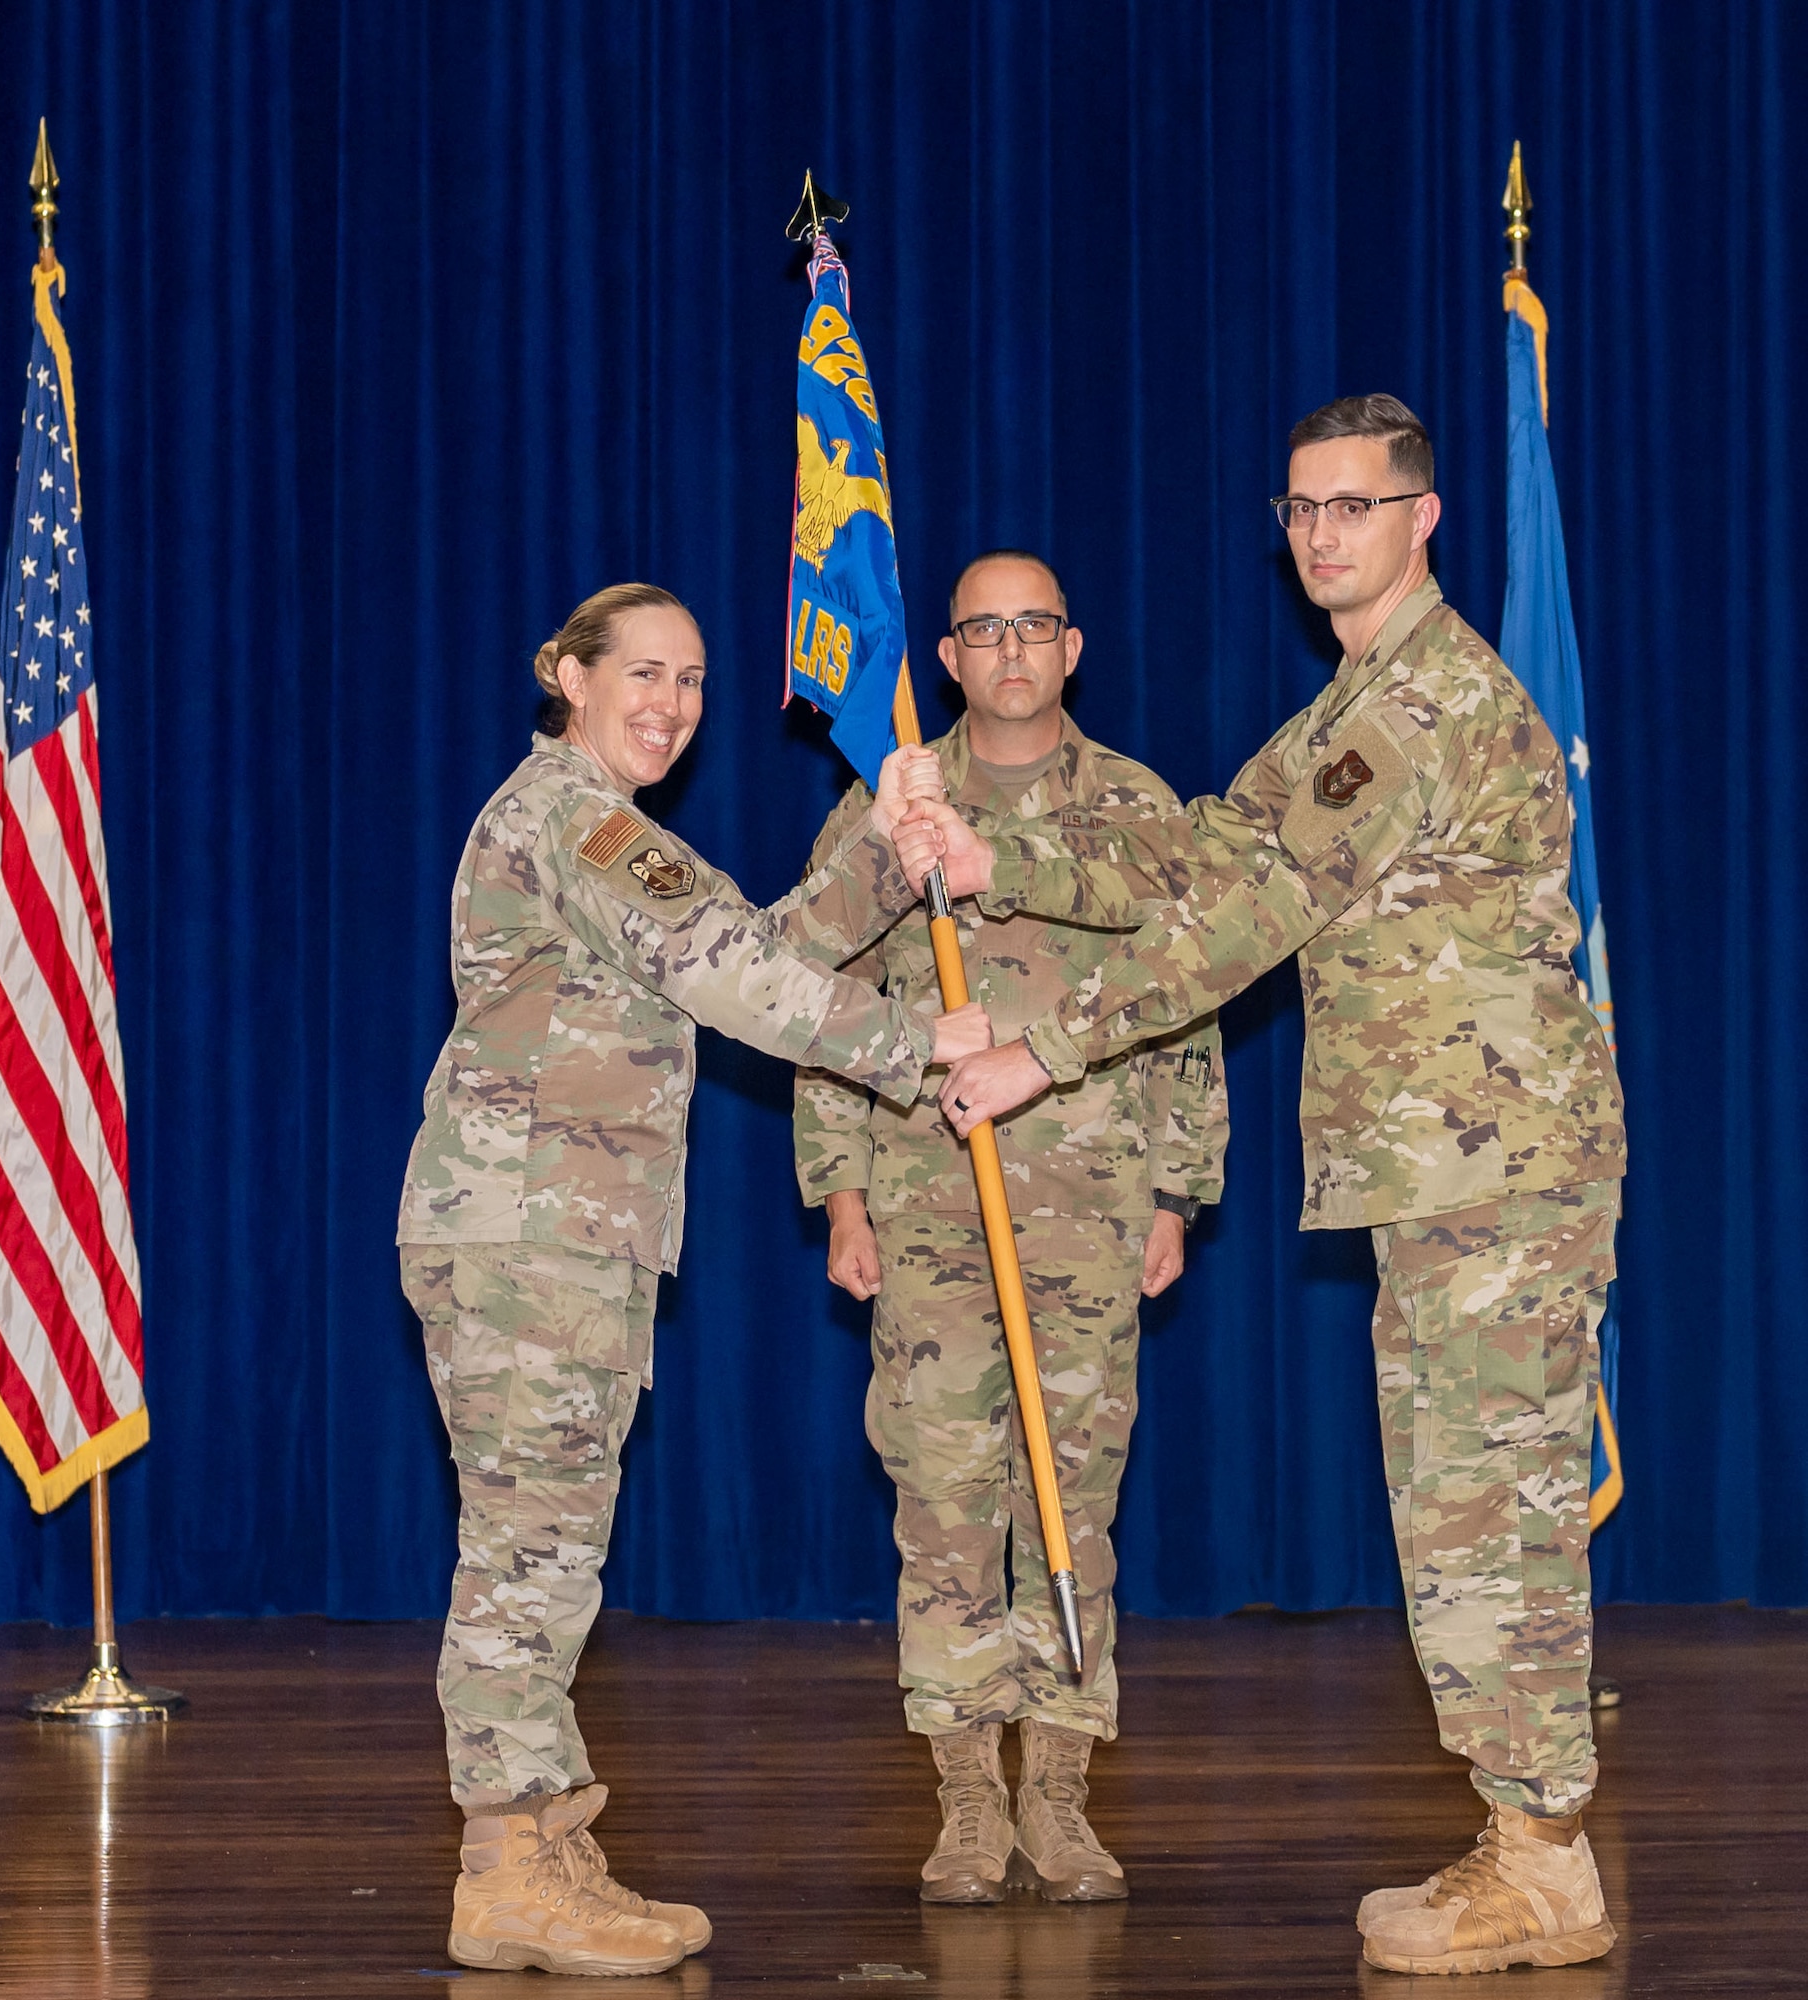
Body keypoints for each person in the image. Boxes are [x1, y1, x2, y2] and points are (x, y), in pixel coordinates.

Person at [923, 400, 1627, 1977]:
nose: (1320, 535)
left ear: (1422, 519)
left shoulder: (1422, 707)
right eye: (1300, 508)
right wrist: (998, 865)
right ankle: (1521, 1845)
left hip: (1495, 1178)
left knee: (1492, 1520)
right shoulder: (1343, 708)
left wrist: (1038, 1053)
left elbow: (1232, 932)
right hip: (1443, 1175)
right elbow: (1195, 857)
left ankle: (1547, 1863)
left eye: (1354, 507)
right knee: (1453, 1514)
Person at [396, 582, 988, 1978]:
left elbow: (759, 945)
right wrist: (924, 1048)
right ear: (568, 676)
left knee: (546, 1553)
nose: (670, 705)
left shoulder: (609, 833)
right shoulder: (572, 819)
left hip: (561, 1236)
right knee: (527, 1561)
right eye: (642, 675)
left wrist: (885, 856)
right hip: (527, 1240)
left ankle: (541, 1845)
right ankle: (507, 1870)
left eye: (693, 682)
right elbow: (733, 975)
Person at [794, 551, 1228, 1906]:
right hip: (928, 1206)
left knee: (1072, 1500)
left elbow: (1186, 1001)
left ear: (1072, 646)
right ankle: (967, 1800)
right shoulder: (889, 813)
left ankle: (1059, 1790)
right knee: (943, 1500)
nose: (1011, 650)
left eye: (1033, 626)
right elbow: (817, 1007)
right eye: (983, 631)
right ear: (945, 656)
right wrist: (842, 1195)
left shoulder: (1138, 807)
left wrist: (1175, 1191)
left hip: (1092, 1210)